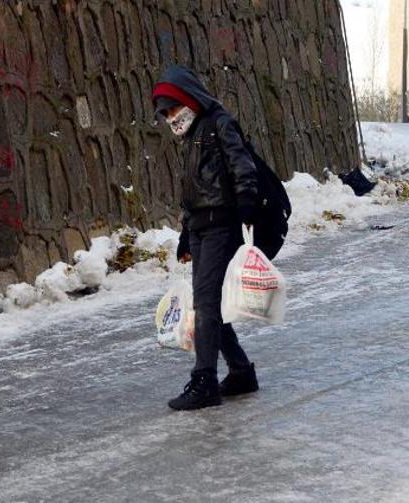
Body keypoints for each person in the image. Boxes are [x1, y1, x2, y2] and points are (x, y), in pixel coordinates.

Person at [152, 65, 260, 411]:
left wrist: (246, 204)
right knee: (208, 303)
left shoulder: (218, 124)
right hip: (200, 226)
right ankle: (240, 371)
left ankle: (205, 380)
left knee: (206, 304)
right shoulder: (193, 134)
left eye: (172, 108)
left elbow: (242, 165)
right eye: (165, 113)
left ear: (187, 100)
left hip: (220, 225)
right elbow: (194, 190)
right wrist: (186, 234)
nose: (170, 117)